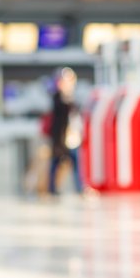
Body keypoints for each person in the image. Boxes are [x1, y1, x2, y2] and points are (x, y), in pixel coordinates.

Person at [48, 67, 83, 195]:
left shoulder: (73, 98)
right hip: (60, 137)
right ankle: (51, 188)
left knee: (76, 163)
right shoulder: (58, 98)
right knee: (55, 163)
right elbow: (60, 116)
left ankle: (79, 188)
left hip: (72, 137)